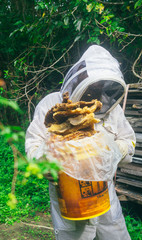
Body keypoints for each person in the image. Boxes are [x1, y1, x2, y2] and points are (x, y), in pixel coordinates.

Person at [25, 45, 136, 240]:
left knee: (116, 235)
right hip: (68, 196)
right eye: (92, 85)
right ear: (78, 79)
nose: (96, 91)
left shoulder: (111, 108)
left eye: (101, 86)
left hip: (104, 194)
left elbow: (129, 140)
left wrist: (118, 149)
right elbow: (34, 142)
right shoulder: (50, 104)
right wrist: (43, 162)